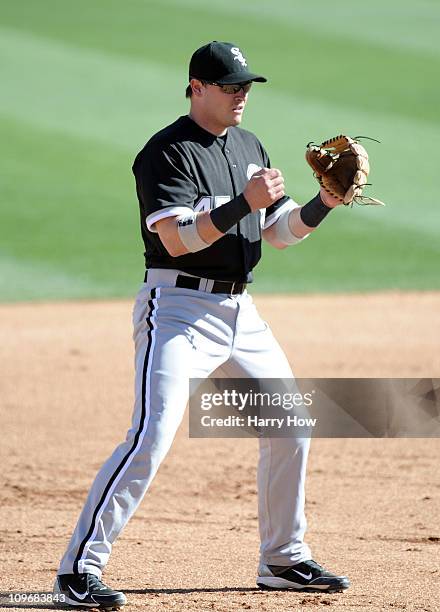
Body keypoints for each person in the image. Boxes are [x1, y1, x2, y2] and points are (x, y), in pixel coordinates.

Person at [53, 41, 350, 608]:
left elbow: (276, 232)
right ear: (197, 87)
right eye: (230, 85)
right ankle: (77, 569)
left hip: (241, 312)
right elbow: (177, 239)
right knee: (151, 435)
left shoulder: (248, 144)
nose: (242, 94)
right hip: (179, 312)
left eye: (246, 85)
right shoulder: (166, 153)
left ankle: (284, 559)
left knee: (291, 426)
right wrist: (243, 203)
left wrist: (324, 202)